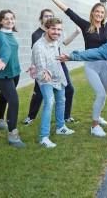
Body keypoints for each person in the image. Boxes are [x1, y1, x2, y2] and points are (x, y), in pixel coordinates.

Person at [37, 0, 107, 137]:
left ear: (104, 14)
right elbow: (68, 11)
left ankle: (97, 115)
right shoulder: (85, 25)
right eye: (97, 12)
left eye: (102, 12)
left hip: (104, 65)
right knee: (100, 94)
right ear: (92, 13)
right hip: (91, 65)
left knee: (103, 94)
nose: (99, 14)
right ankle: (94, 126)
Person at [22, 9, 80, 126]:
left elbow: (63, 43)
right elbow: (36, 52)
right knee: (40, 94)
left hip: (58, 64)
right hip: (43, 68)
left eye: (51, 16)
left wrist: (76, 33)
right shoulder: (37, 35)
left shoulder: (56, 32)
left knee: (68, 90)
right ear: (41, 19)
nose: (48, 18)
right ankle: (31, 116)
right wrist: (35, 66)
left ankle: (65, 117)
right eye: (46, 16)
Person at [32, 17, 75, 148]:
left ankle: (60, 127)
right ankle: (43, 137)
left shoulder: (55, 41)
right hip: (45, 79)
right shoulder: (39, 46)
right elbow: (40, 68)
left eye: (59, 29)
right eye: (53, 29)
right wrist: (45, 73)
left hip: (58, 75)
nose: (57, 32)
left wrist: (77, 32)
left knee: (61, 100)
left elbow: (63, 43)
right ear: (46, 28)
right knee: (49, 102)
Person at [0, 9, 25, 148]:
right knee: (14, 101)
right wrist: (3, 60)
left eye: (12, 18)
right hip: (2, 74)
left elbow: (12, 50)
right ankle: (13, 135)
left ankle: (0, 121)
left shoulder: (10, 33)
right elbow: (5, 48)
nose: (10, 21)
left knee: (4, 97)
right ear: (0, 21)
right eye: (6, 18)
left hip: (15, 72)